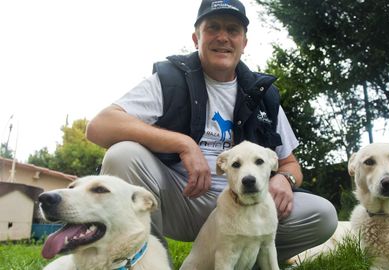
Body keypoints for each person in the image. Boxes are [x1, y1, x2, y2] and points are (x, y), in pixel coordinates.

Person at [86, 0, 337, 263]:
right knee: (123, 154)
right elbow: (100, 126)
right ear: (196, 38)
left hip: (246, 206)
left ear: (244, 42)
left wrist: (285, 179)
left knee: (322, 214)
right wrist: (183, 144)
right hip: (181, 201)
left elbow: (289, 163)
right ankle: (148, 263)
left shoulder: (263, 94)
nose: (223, 37)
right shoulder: (169, 79)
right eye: (213, 28)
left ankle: (245, 261)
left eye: (233, 30)